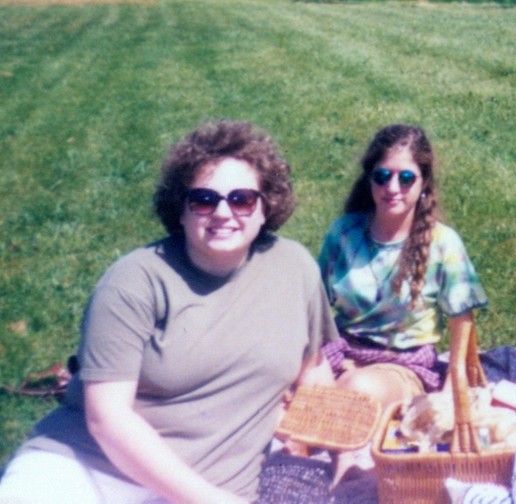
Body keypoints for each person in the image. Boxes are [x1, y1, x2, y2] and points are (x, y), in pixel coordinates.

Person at [0, 120, 337, 504]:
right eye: (204, 200)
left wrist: (336, 454)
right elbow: (107, 418)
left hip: (218, 484)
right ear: (181, 210)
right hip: (89, 469)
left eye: (241, 199)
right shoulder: (134, 281)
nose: (223, 213)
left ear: (266, 206)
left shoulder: (294, 267)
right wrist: (209, 500)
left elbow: (313, 372)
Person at [316, 124, 488, 480]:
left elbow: (463, 318)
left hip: (402, 365)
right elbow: (315, 304)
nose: (392, 188)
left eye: (406, 178)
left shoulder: (443, 243)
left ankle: (340, 467)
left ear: (424, 183)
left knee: (355, 392)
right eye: (382, 176)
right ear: (370, 179)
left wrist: (454, 383)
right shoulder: (344, 233)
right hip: (342, 352)